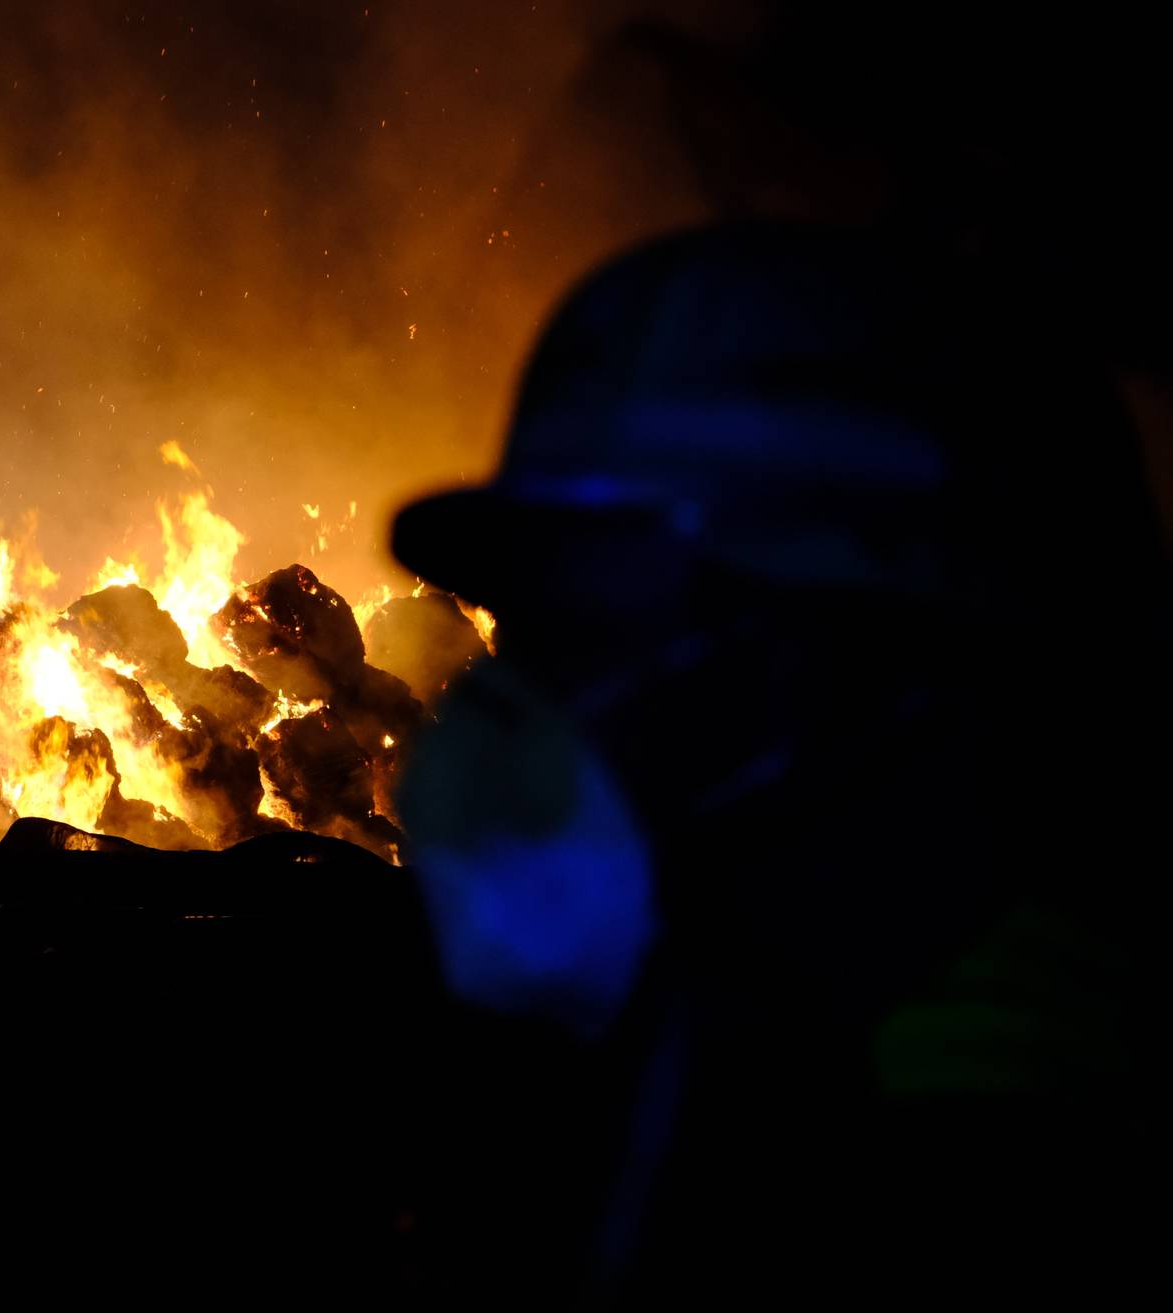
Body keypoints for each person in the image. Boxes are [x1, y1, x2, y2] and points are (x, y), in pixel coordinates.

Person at [391, 223, 1163, 1304]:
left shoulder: (1009, 1168)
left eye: (612, 620)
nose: (520, 708)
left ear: (891, 647)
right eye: (535, 626)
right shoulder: (741, 1045)